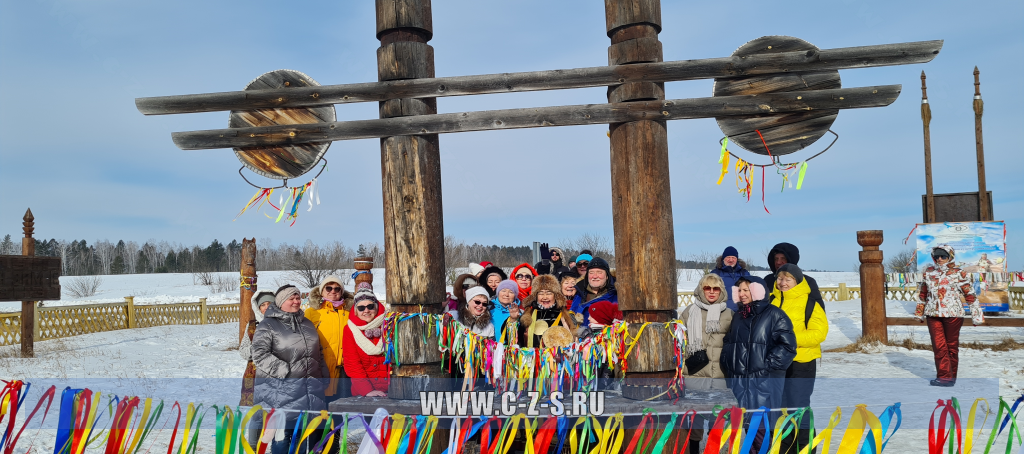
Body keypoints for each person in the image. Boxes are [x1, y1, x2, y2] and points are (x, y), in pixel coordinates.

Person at [720, 276, 797, 453]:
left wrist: (765, 365)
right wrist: (727, 360)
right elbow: (729, 341)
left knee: (762, 433)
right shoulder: (739, 316)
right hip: (741, 384)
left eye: (746, 290)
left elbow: (788, 346)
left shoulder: (775, 314)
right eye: (739, 290)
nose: (742, 293)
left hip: (764, 384)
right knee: (749, 432)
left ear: (757, 291)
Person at [252, 285, 329, 454]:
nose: (296, 301)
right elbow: (259, 354)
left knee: (300, 436)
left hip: (308, 390)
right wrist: (285, 372)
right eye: (291, 298)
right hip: (281, 391)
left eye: (297, 298)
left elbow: (319, 352)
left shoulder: (307, 323)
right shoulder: (268, 325)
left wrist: (323, 375)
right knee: (282, 436)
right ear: (280, 302)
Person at [770, 264, 828, 454]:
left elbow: (819, 333)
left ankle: (805, 449)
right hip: (777, 364)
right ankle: (786, 449)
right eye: (780, 278)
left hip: (801, 362)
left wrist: (789, 339)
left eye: (788, 279)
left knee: (799, 408)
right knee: (780, 408)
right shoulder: (771, 300)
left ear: (797, 281)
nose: (783, 283)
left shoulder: (810, 302)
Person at [916, 245, 983, 387]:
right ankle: (944, 377)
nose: (940, 259)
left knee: (951, 346)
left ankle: (951, 377)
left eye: (943, 256)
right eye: (937, 256)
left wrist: (976, 315)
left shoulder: (959, 273)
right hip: (933, 313)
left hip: (953, 314)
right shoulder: (928, 273)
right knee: (938, 346)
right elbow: (923, 293)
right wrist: (919, 312)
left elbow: (969, 294)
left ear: (950, 256)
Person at [305, 276, 354, 402]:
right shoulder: (312, 312)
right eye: (329, 288)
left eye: (337, 288)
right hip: (321, 368)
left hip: (344, 370)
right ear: (321, 291)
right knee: (321, 411)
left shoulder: (350, 312)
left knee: (341, 410)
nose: (333, 291)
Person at [342, 283, 389, 397]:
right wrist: (367, 390)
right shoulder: (350, 330)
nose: (366, 311)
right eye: (361, 308)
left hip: (392, 389)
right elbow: (352, 364)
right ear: (355, 310)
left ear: (376, 307)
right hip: (365, 392)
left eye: (370, 306)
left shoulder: (388, 324)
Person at [763, 242, 825, 320]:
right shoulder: (768, 280)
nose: (778, 262)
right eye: (776, 259)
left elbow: (819, 316)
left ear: (791, 260)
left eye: (783, 258)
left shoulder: (807, 282)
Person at [520, 274, 578, 348]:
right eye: (541, 293)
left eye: (549, 293)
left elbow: (575, 343)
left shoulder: (566, 316)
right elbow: (517, 340)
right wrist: (513, 319)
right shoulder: (528, 315)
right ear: (536, 296)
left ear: (556, 296)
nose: (545, 297)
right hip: (534, 357)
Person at [240, 290, 275, 406]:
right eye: (262, 305)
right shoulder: (252, 326)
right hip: (254, 375)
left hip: (275, 373)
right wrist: (254, 350)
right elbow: (243, 350)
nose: (266, 307)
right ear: (258, 308)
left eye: (269, 304)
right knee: (255, 414)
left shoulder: (282, 324)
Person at [571, 257, 618, 328]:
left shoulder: (616, 293)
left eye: (599, 272)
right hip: (582, 336)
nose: (595, 276)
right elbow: (572, 317)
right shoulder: (580, 293)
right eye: (591, 273)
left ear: (607, 276)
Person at [710, 246, 752, 311]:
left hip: (742, 312)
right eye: (728, 257)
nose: (731, 260)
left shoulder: (744, 273)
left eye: (733, 257)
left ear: (737, 259)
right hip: (723, 312)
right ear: (723, 258)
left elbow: (752, 291)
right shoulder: (715, 274)